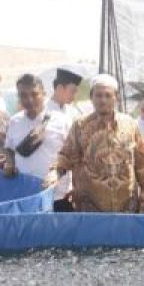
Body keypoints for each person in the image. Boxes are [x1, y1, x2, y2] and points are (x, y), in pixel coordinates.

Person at [46, 74, 144, 213]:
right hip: (90, 209)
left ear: (116, 97)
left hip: (126, 207)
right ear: (92, 98)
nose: (103, 100)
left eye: (108, 95)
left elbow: (142, 163)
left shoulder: (130, 125)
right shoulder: (80, 126)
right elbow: (66, 156)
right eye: (98, 95)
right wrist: (55, 172)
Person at [4, 74, 70, 181]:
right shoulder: (14, 121)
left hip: (56, 192)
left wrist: (56, 173)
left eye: (34, 94)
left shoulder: (63, 121)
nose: (29, 100)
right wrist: (10, 163)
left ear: (44, 94)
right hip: (25, 190)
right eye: (23, 95)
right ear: (18, 97)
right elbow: (9, 148)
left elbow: (72, 155)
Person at [47, 67, 84, 210]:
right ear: (60, 88)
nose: (74, 96)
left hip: (68, 187)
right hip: (49, 182)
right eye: (72, 91)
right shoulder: (43, 111)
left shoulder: (74, 113)